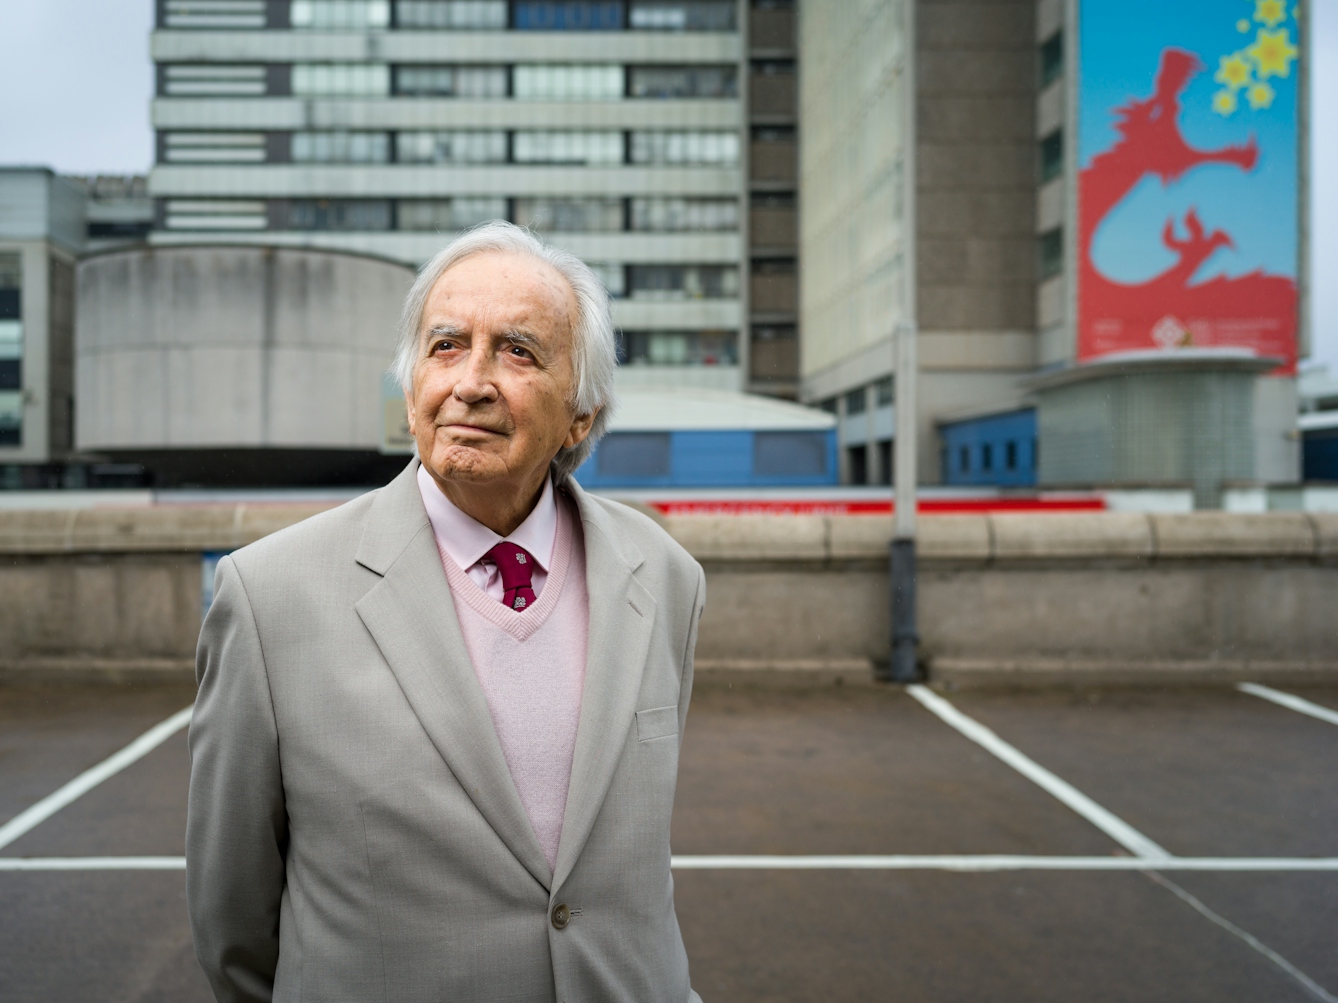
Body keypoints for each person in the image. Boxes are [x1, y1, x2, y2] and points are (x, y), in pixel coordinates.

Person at [186, 221, 706, 1003]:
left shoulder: (665, 575)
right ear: (411, 384)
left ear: (582, 416)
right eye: (446, 345)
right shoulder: (268, 596)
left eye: (519, 350)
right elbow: (233, 923)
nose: (472, 381)